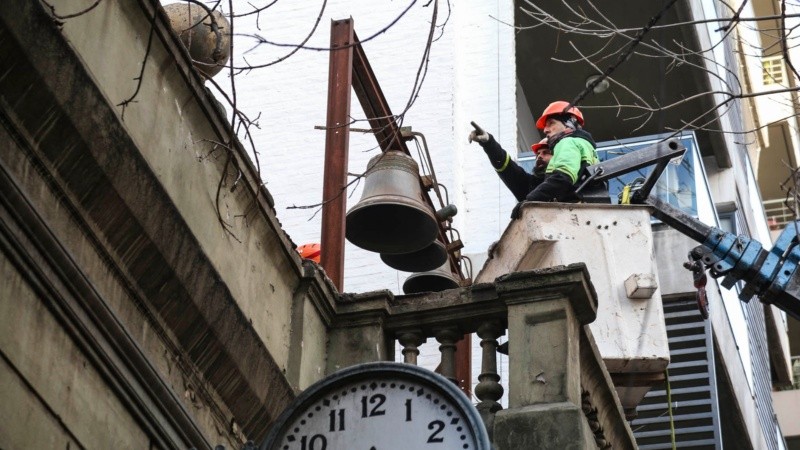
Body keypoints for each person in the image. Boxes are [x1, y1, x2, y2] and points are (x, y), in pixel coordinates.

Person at [468, 101, 600, 217]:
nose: (540, 157)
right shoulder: (540, 189)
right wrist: (489, 144)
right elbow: (510, 171)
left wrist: (530, 201)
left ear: (570, 123)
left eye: (546, 152)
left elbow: (562, 177)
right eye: (537, 154)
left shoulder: (567, 143)